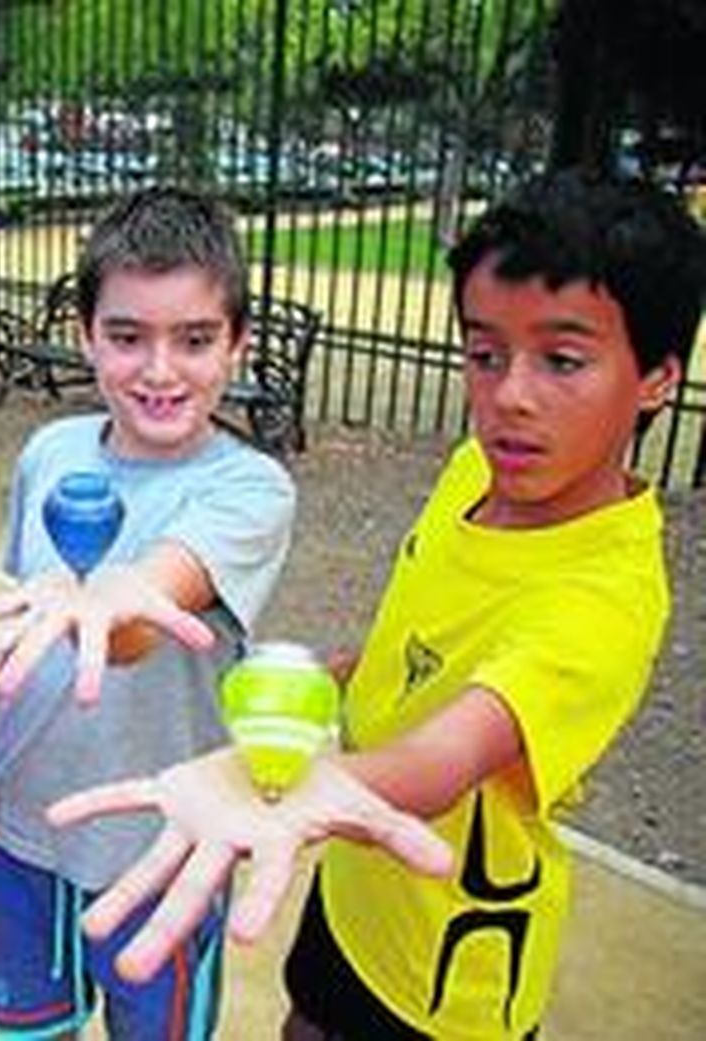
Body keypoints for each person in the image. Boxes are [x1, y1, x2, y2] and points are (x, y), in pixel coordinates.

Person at [46, 171, 706, 1041]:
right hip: (352, 886)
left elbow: (446, 757)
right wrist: (339, 673)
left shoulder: (602, 598)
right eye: (485, 352)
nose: (510, 393)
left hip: (445, 967)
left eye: (563, 358)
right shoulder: (481, 467)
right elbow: (427, 634)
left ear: (658, 377)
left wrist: (271, 790)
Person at [0, 186, 297, 1040]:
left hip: (160, 848)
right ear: (84, 335)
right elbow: (27, 623)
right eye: (126, 336)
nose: (159, 369)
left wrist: (111, 597)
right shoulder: (49, 453)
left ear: (239, 343)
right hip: (21, 828)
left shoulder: (250, 488)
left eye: (194, 339)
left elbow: (145, 614)